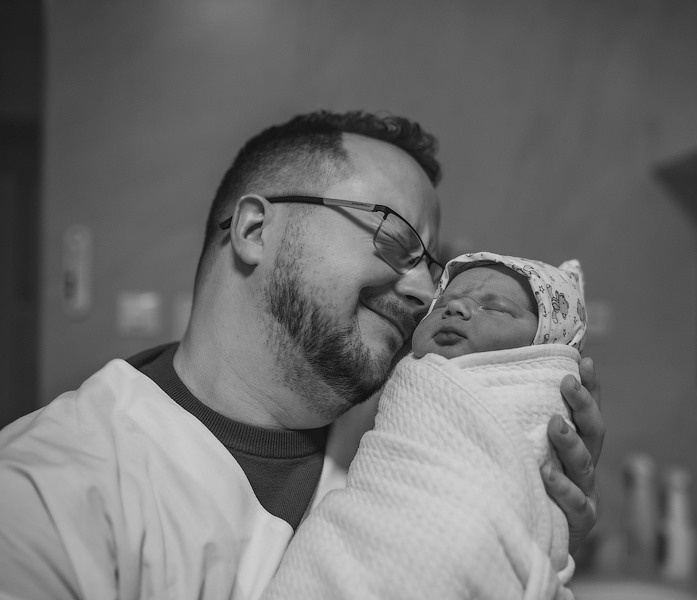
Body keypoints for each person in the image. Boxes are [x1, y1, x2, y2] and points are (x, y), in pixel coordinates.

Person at [0, 112, 604, 599]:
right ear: (254, 230)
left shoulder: (421, 453)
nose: (427, 292)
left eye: (432, 266)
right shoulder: (46, 501)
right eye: (393, 237)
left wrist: (528, 533)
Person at [263, 252, 588, 600]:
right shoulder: (411, 381)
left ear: (544, 347)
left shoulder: (534, 389)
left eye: (495, 308)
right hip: (360, 530)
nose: (456, 308)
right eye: (442, 303)